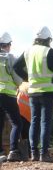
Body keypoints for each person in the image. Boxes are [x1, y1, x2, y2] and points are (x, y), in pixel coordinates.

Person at [13, 27, 53, 162]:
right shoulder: (49, 51)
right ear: (48, 39)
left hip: (33, 92)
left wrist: (27, 78)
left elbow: (16, 67)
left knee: (34, 122)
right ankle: (44, 154)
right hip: (48, 92)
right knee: (45, 122)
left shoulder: (27, 52)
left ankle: (34, 154)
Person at [0, 32, 23, 162]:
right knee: (16, 123)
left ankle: (0, 152)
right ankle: (13, 151)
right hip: (8, 94)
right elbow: (17, 79)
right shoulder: (10, 57)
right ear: (8, 45)